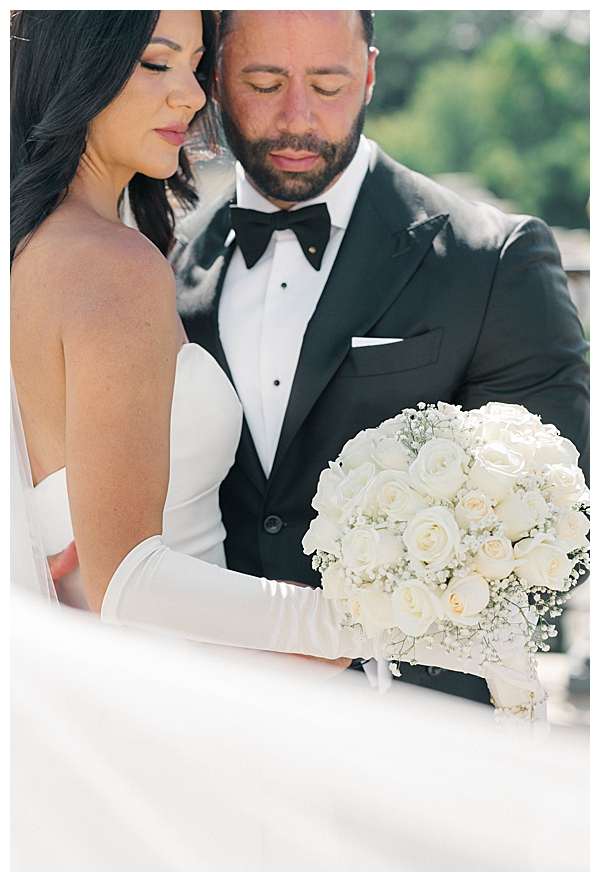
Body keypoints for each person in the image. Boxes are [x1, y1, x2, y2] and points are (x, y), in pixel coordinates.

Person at [9, 9, 547, 718]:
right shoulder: (113, 267)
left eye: (194, 65)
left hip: (179, 694)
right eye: (155, 62)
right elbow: (128, 586)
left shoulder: (39, 250)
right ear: (74, 67)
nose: (191, 96)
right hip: (171, 716)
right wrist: (397, 626)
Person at [174, 9, 590, 703]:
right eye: (264, 81)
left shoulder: (494, 262)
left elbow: (556, 527)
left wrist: (355, 633)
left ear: (369, 74)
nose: (297, 117)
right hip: (212, 724)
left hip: (415, 738)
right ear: (215, 79)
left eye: (329, 84)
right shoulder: (166, 261)